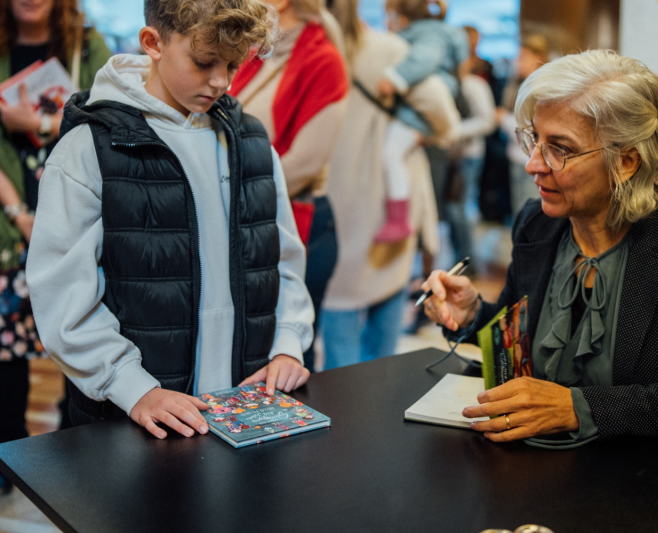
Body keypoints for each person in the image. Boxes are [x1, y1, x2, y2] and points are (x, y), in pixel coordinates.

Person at [422, 50, 658, 447]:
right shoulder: (538, 223)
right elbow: (525, 341)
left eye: (559, 149)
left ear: (626, 162)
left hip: (656, 480)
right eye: (534, 139)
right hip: (545, 474)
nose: (533, 164)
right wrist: (474, 315)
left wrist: (580, 407)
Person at [27, 0, 314, 440]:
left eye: (234, 64)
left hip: (248, 404)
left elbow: (283, 261)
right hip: (135, 416)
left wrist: (288, 346)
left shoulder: (250, 141)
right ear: (152, 43)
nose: (220, 81)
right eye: (203, 62)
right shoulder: (90, 146)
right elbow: (62, 293)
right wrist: (132, 387)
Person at [0, 0, 110, 494]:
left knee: (82, 338)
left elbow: (111, 120)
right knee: (6, 356)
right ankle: (8, 461)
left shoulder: (87, 45)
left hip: (78, 224)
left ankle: (78, 460)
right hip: (9, 227)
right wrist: (20, 214)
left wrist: (38, 124)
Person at [321, 0, 458, 369]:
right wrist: (417, 133)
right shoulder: (386, 49)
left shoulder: (310, 52)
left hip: (330, 199)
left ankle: (339, 411)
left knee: (337, 312)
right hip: (387, 202)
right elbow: (444, 114)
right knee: (383, 328)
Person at [229, 0, 348, 372]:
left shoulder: (323, 58)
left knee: (286, 354)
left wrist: (222, 191)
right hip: (248, 216)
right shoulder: (253, 53)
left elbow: (304, 164)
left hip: (295, 220)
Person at [373, 0, 468, 243]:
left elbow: (424, 58)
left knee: (391, 155)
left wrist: (395, 78)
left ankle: (398, 218)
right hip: (426, 111)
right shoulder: (438, 31)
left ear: (402, 18)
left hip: (421, 111)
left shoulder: (425, 35)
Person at [445, 57, 496, 263]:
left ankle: (468, 260)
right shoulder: (449, 82)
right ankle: (459, 256)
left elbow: (487, 120)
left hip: (469, 155)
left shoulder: (475, 85)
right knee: (452, 210)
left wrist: (455, 131)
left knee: (461, 209)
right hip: (451, 157)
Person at [498, 33, 548, 217]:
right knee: (520, 214)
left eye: (523, 57)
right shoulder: (520, 84)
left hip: (531, 157)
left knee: (530, 217)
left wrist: (503, 119)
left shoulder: (541, 88)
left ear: (539, 58)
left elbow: (531, 131)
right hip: (517, 157)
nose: (518, 63)